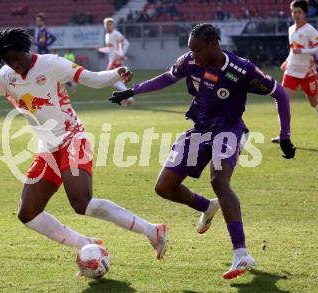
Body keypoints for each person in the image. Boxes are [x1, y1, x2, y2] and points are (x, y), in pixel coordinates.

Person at [0, 28, 167, 272]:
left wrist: (116, 74)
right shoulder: (6, 77)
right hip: (46, 149)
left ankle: (151, 230)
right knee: (28, 213)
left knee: (81, 203)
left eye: (17, 57)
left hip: (72, 139)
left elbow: (91, 78)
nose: (14, 64)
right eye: (8, 61)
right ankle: (86, 244)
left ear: (26, 50)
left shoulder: (50, 64)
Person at [109, 23, 296, 279]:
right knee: (164, 187)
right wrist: (133, 90)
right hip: (200, 130)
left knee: (219, 180)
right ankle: (207, 206)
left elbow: (280, 94)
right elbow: (167, 77)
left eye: (196, 49)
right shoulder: (191, 61)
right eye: (190, 50)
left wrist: (285, 135)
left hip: (228, 130)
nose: (192, 55)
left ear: (213, 44)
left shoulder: (242, 69)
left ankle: (241, 253)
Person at [274, 0, 318, 142]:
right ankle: (283, 135)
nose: (296, 14)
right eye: (294, 12)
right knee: (281, 100)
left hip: (307, 72)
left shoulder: (310, 30)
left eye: (299, 12)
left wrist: (303, 51)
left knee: (313, 102)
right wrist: (287, 60)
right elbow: (293, 49)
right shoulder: (291, 29)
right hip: (292, 70)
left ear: (304, 13)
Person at [98, 17, 134, 106]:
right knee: (114, 80)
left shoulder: (116, 34)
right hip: (111, 60)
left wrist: (121, 55)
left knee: (111, 79)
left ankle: (128, 97)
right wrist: (102, 49)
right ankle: (127, 97)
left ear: (113, 25)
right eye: (106, 24)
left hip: (116, 60)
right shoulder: (107, 35)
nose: (107, 26)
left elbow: (126, 43)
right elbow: (111, 49)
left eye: (109, 24)